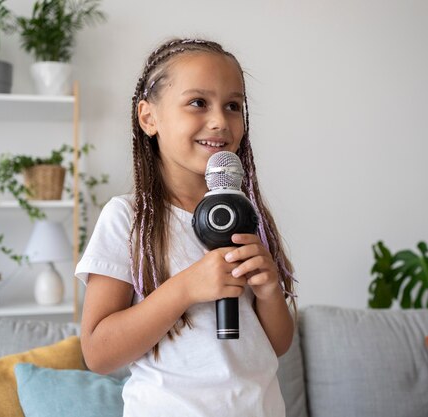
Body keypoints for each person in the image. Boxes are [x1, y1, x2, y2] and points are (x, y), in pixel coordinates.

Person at [75, 37, 297, 417]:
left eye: (233, 106)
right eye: (198, 103)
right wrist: (185, 288)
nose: (220, 121)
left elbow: (276, 344)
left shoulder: (248, 213)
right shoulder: (128, 219)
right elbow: (97, 353)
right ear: (149, 118)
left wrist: (270, 290)